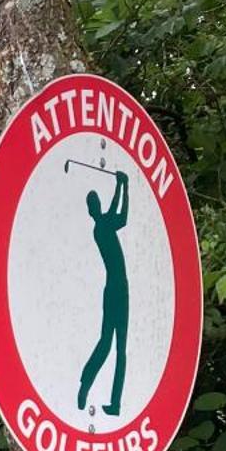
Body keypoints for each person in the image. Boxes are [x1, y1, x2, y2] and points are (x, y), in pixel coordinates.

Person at [77, 167, 130, 416]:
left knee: (120, 348)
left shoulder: (106, 223)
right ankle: (85, 383)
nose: (96, 206)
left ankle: (115, 404)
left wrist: (125, 187)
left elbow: (123, 217)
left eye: (96, 201)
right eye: (94, 204)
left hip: (122, 288)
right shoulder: (100, 228)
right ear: (91, 211)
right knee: (107, 343)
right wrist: (121, 185)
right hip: (114, 290)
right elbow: (114, 213)